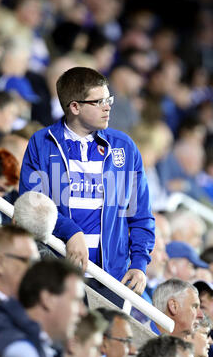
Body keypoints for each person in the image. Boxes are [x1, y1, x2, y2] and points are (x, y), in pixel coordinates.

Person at [20, 66, 155, 309]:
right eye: (99, 101)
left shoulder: (124, 147)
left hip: (111, 281)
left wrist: (139, 264)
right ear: (75, 107)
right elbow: (32, 204)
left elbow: (140, 214)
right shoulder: (42, 143)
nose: (108, 106)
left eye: (109, 99)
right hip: (56, 272)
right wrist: (71, 231)